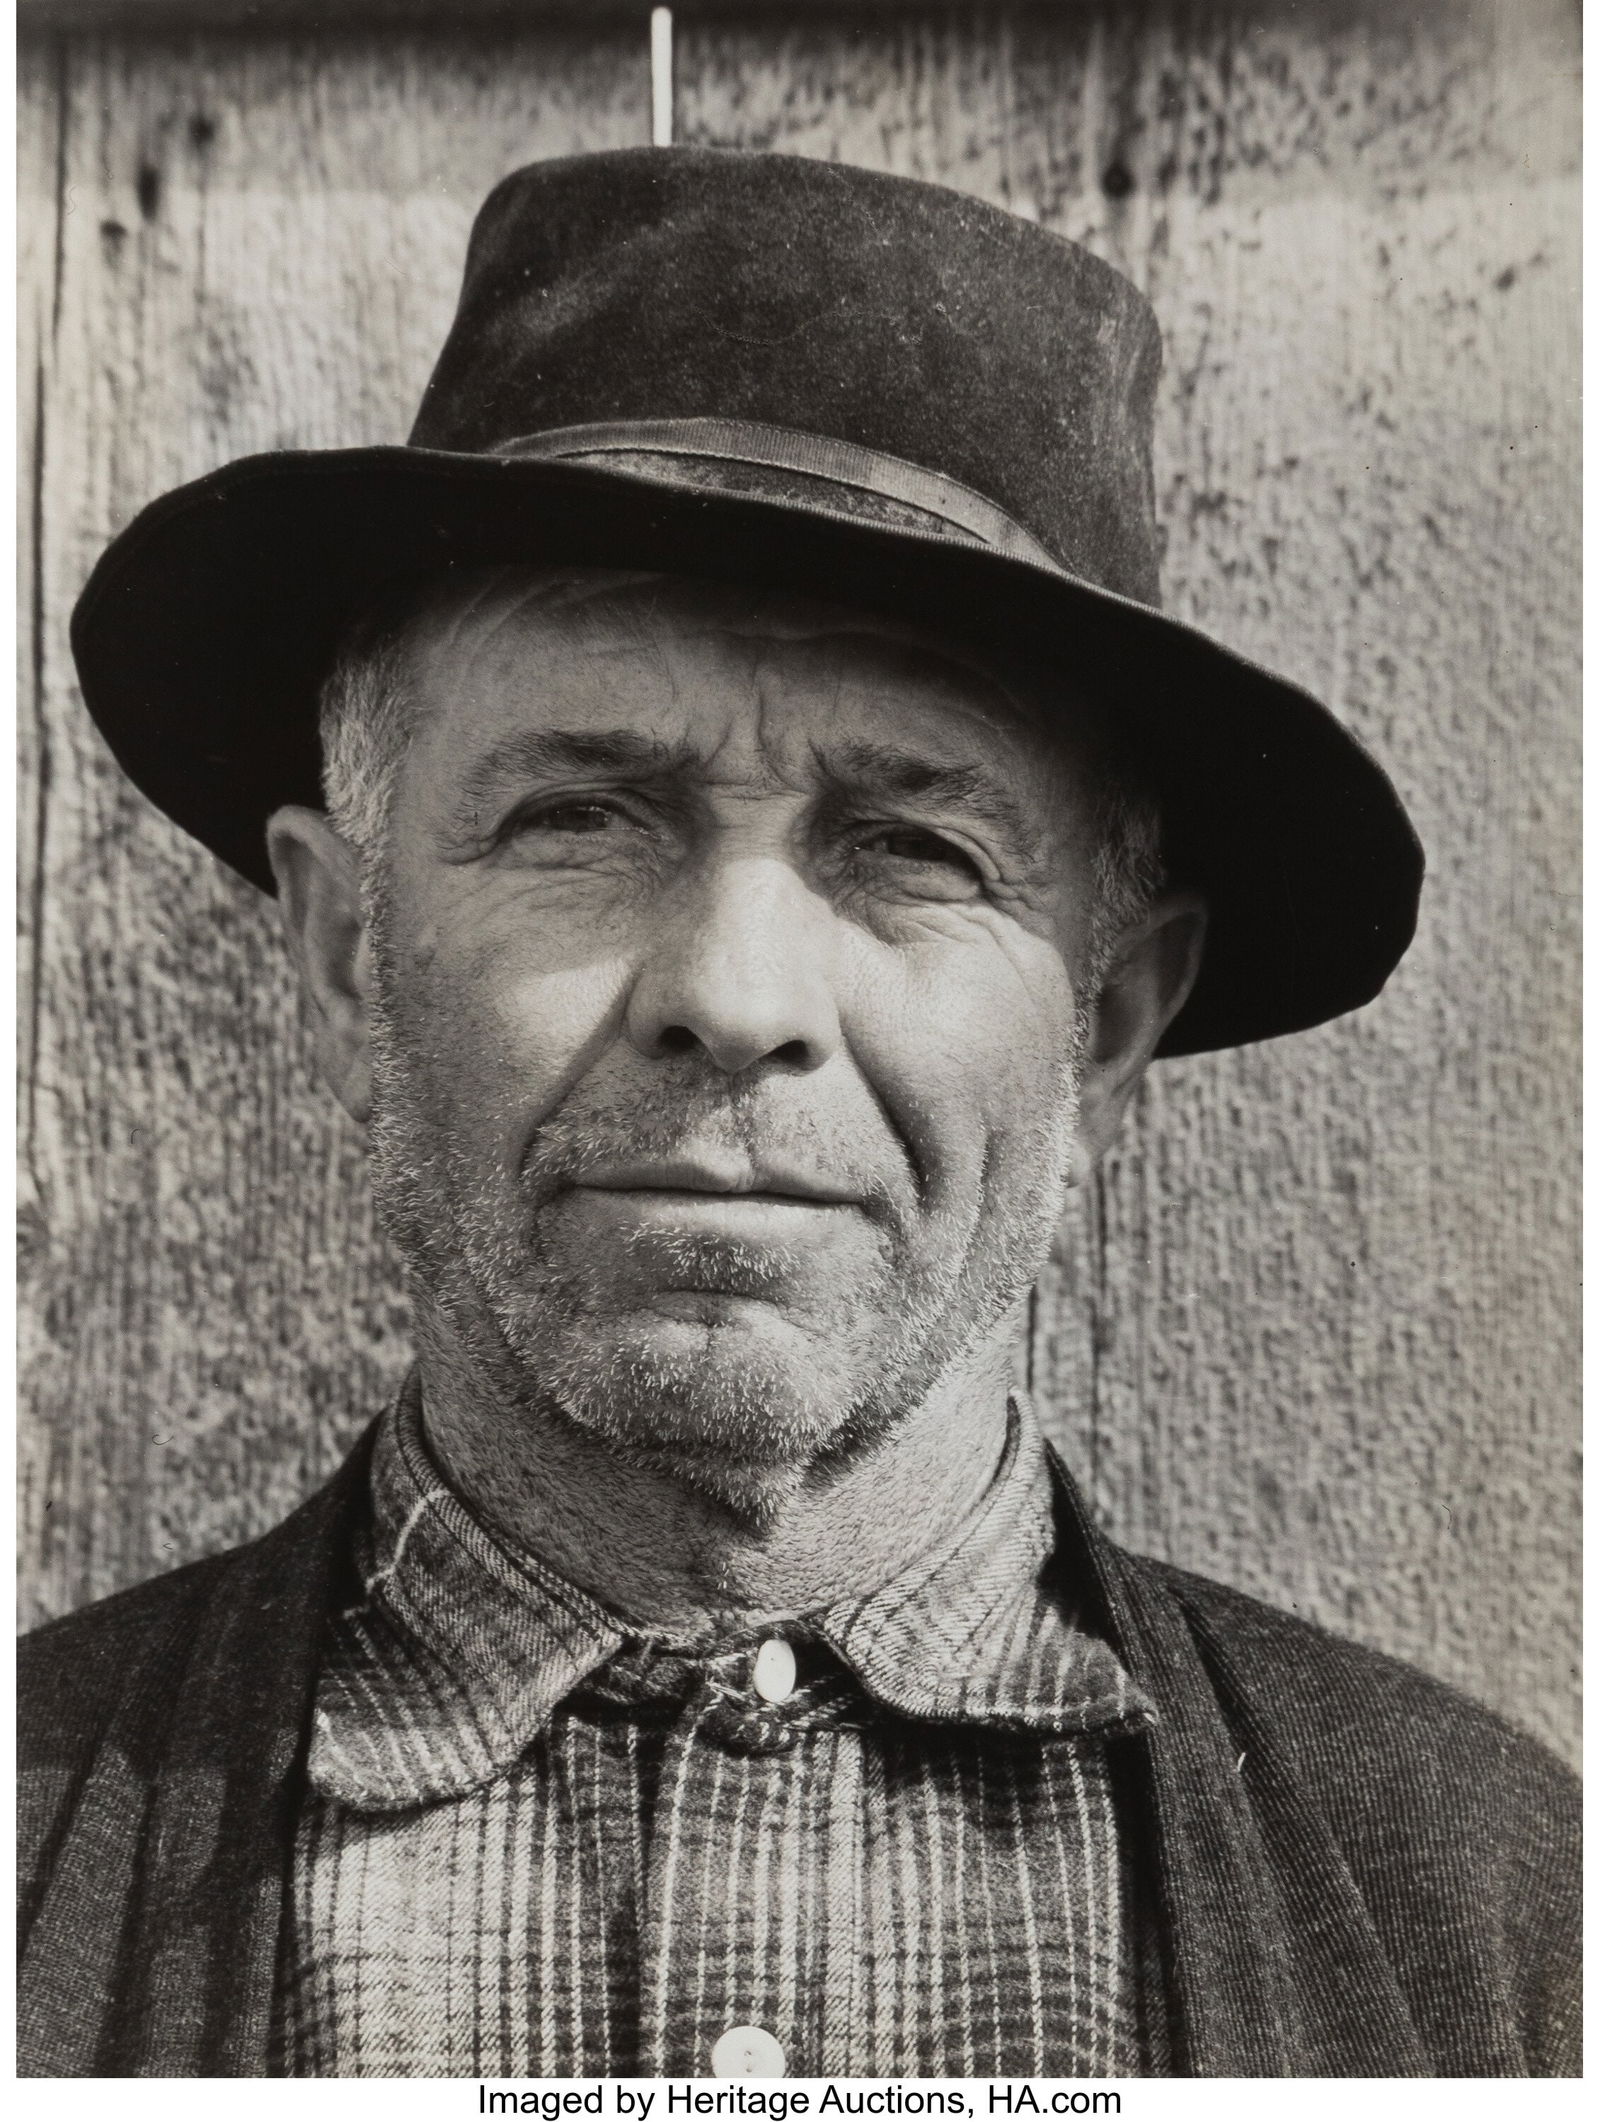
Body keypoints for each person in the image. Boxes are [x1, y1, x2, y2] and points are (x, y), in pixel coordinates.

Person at [18, 147, 1577, 2080]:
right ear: (349, 952)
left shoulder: (1503, 1925)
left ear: (1107, 1019)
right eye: (581, 818)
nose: (737, 999)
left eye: (911, 845)